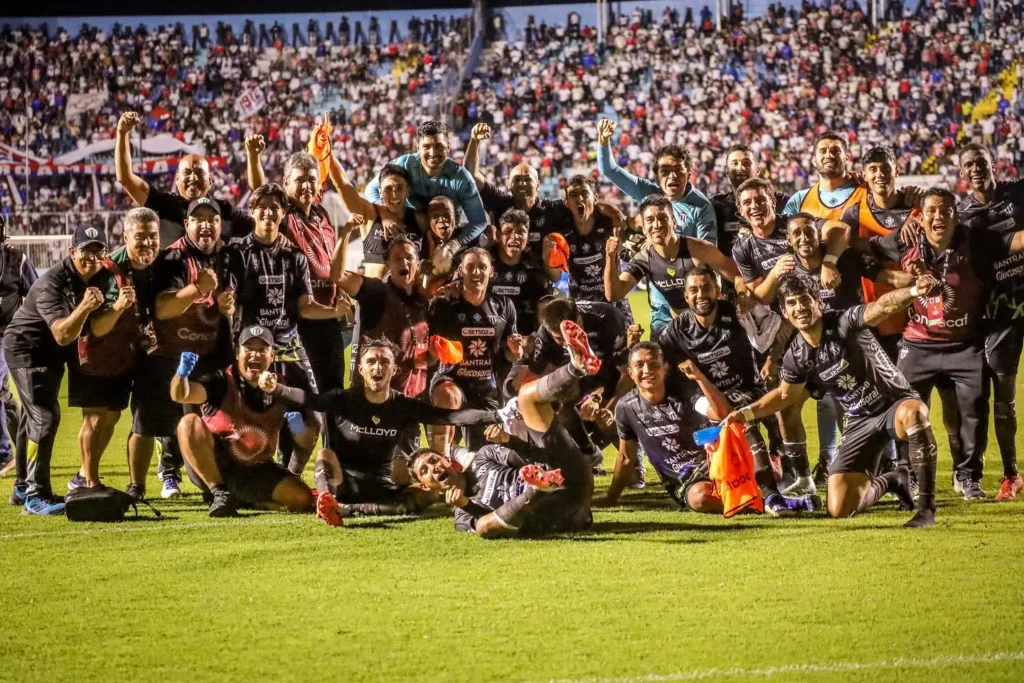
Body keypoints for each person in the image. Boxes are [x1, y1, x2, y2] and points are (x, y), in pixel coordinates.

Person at [724, 273, 940, 528]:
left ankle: (926, 510)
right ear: (784, 312)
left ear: (819, 302)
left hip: (893, 404)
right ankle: (894, 480)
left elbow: (883, 305)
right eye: (791, 303)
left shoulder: (844, 322)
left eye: (805, 300)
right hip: (859, 421)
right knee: (839, 508)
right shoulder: (796, 355)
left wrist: (915, 291)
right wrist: (745, 413)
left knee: (915, 413)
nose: (799, 308)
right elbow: (784, 395)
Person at [864, 188, 1024, 500]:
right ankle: (908, 475)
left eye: (946, 210)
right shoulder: (906, 239)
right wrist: (893, 278)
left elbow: (1015, 241)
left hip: (965, 345)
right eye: (932, 211)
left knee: (972, 415)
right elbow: (863, 251)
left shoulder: (974, 240)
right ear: (921, 217)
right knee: (901, 409)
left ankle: (968, 477)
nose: (939, 216)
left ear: (956, 215)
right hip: (917, 344)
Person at [260, 338, 503, 518]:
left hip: (384, 487)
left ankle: (348, 511)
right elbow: (309, 399)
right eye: (371, 362)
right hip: (345, 484)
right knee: (325, 454)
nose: (378, 367)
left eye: (384, 361)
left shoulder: (404, 405)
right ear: (361, 369)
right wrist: (277, 389)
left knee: (429, 491)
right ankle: (326, 500)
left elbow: (450, 416)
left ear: (394, 370)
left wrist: (496, 415)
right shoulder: (343, 399)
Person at [409, 320, 600, 537]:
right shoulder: (462, 516)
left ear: (448, 461)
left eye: (434, 461)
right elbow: (495, 526)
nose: (433, 468)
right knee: (483, 526)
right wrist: (465, 503)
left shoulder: (484, 457)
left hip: (566, 475)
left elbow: (536, 456)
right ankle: (537, 489)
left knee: (526, 396)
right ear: (425, 486)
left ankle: (577, 366)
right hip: (553, 511)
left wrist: (510, 441)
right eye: (424, 471)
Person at [732, 177, 849, 494]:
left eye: (760, 199)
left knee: (840, 402)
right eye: (748, 203)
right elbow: (759, 296)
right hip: (784, 330)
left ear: (772, 199)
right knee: (786, 405)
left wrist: (828, 261)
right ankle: (802, 477)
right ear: (740, 211)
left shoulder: (794, 225)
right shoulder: (744, 247)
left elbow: (839, 230)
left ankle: (852, 466)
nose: (755, 206)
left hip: (824, 324)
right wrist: (775, 273)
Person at [229, 183, 354, 472]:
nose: (269, 212)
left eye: (276, 207)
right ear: (253, 210)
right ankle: (243, 474)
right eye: (263, 207)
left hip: (288, 345)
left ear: (283, 212)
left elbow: (304, 306)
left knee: (314, 420)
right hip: (253, 349)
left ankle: (291, 475)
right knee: (247, 416)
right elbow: (228, 299)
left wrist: (334, 311)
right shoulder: (237, 252)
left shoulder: (294, 257)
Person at [657, 267, 791, 507]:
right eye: (694, 290)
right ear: (686, 297)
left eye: (707, 288)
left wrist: (772, 360)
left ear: (718, 291)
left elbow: (780, 323)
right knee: (737, 416)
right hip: (703, 396)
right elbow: (660, 365)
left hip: (747, 388)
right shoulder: (676, 331)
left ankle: (782, 465)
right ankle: (769, 492)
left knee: (763, 404)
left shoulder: (738, 314)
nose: (701, 295)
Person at [3, 225, 108, 515]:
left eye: (99, 251)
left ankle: (22, 487)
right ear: (72, 252)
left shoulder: (98, 275)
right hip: (27, 348)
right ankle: (36, 496)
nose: (93, 257)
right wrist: (86, 307)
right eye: (87, 251)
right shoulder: (53, 282)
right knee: (45, 417)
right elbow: (62, 333)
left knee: (31, 418)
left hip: (51, 354)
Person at [142, 197, 237, 499]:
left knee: (228, 425)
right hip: (181, 359)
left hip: (219, 358)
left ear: (221, 225)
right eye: (199, 219)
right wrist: (198, 289)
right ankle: (178, 476)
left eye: (213, 219)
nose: (206, 225)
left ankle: (226, 477)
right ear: (187, 224)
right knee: (180, 427)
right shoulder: (171, 259)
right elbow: (162, 309)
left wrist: (228, 306)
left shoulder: (230, 256)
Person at [247, 148, 351, 424]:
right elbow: (260, 191)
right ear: (286, 184)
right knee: (299, 400)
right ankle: (286, 458)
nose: (306, 185)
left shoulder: (321, 215)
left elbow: (329, 265)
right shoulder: (284, 215)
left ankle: (334, 458)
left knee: (334, 394)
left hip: (328, 318)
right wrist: (254, 156)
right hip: (297, 322)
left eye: (312, 179)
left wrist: (341, 294)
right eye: (300, 180)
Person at [171, 326, 318, 517]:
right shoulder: (221, 380)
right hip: (216, 463)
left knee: (302, 499)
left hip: (254, 467)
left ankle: (243, 498)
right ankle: (219, 492)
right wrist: (181, 374)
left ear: (272, 356)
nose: (255, 354)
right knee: (188, 422)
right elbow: (181, 395)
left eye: (262, 349)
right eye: (248, 348)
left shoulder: (283, 388)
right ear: (237, 354)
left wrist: (297, 426)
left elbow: (306, 440)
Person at [66, 209, 160, 495]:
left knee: (112, 416)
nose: (147, 243)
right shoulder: (108, 271)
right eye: (140, 237)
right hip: (96, 356)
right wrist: (119, 307)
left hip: (125, 356)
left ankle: (83, 474)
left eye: (153, 237)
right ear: (126, 237)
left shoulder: (160, 265)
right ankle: (89, 483)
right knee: (94, 417)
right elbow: (95, 326)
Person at [596, 118, 717, 339]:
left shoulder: (701, 207)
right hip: (660, 305)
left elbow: (709, 256)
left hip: (693, 302)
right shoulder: (648, 193)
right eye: (665, 171)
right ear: (657, 175)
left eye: (678, 170)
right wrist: (604, 142)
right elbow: (610, 170)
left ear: (689, 172)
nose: (672, 177)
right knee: (661, 365)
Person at [955, 143, 1024, 500]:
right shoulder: (962, 217)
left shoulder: (1017, 192)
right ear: (962, 174)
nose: (976, 169)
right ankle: (1011, 474)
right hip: (1001, 314)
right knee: (1003, 395)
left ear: (993, 164)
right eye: (969, 165)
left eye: (981, 162)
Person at [363, 121, 488, 272]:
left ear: (448, 147)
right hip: (411, 229)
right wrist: (384, 212)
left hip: (446, 234)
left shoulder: (461, 177)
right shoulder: (405, 164)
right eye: (427, 147)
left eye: (439, 146)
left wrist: (453, 245)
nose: (433, 153)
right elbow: (371, 189)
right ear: (418, 148)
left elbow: (479, 221)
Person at [115, 111, 254, 247]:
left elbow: (259, 228)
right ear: (177, 180)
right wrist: (122, 133)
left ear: (210, 181)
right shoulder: (164, 204)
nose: (193, 178)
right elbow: (126, 178)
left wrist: (254, 157)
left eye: (199, 172)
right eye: (187, 173)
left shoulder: (224, 210)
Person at [429, 248, 520, 452]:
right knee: (448, 396)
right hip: (452, 379)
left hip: (487, 388)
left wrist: (515, 351)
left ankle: (460, 459)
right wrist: (435, 349)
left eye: (482, 267)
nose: (476, 272)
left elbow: (510, 354)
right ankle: (439, 458)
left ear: (491, 272)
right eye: (470, 267)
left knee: (481, 457)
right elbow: (431, 351)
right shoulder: (445, 304)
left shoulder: (504, 305)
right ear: (461, 271)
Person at [604, 194, 749, 316]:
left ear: (673, 222)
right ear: (644, 229)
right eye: (650, 220)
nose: (657, 225)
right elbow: (614, 294)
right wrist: (610, 256)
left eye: (663, 218)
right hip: (684, 329)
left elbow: (738, 275)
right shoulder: (644, 258)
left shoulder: (699, 249)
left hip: (716, 322)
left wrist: (742, 296)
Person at [333, 227, 430, 399]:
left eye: (409, 258)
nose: (404, 263)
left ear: (417, 263)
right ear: (388, 265)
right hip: (373, 396)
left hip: (411, 398)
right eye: (397, 259)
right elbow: (337, 276)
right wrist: (345, 233)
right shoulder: (375, 291)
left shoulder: (422, 301)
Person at [464, 123, 571, 255]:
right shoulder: (499, 203)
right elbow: (471, 175)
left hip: (538, 275)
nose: (522, 184)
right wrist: (475, 140)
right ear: (509, 184)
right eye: (517, 180)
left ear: (538, 184)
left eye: (527, 180)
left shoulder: (551, 209)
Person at [542, 175, 629, 314]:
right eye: (573, 195)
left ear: (595, 198)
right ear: (566, 202)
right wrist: (547, 259)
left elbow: (632, 223)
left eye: (584, 193)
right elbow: (555, 277)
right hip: (580, 309)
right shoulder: (562, 233)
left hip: (615, 306)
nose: (579, 199)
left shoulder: (610, 224)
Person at [0, 214, 37, 486]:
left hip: (6, 337)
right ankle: (15, 452)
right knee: (4, 396)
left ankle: (4, 454)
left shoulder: (17, 260)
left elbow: (36, 294)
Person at [334, 163, 420, 279]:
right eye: (388, 189)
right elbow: (342, 184)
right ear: (380, 192)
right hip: (375, 294)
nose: (394, 195)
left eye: (399, 188)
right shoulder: (369, 215)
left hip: (408, 295)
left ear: (408, 191)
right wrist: (328, 157)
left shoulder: (420, 219)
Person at [709, 144, 790, 259]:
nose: (740, 168)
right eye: (734, 163)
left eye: (746, 163)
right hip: (732, 273)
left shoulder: (782, 201)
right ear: (727, 171)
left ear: (757, 170)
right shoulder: (716, 204)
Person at [490, 209, 556, 336]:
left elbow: (552, 285)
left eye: (520, 232)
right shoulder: (485, 263)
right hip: (491, 335)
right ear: (498, 236)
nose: (514, 237)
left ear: (528, 237)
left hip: (526, 337)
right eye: (508, 232)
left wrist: (535, 337)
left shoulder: (535, 266)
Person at [782, 131, 867, 220]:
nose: (829, 155)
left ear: (847, 158)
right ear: (814, 161)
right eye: (823, 151)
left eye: (836, 151)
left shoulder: (866, 192)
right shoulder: (799, 200)